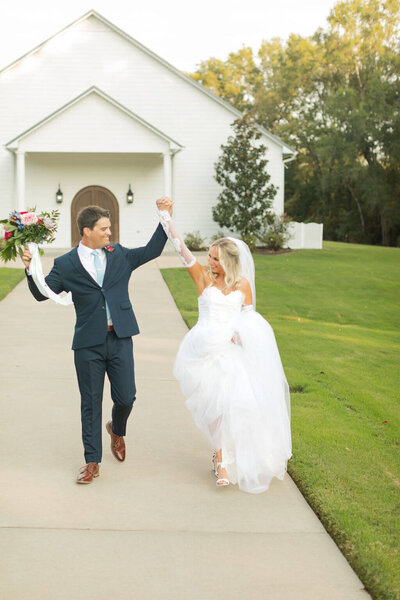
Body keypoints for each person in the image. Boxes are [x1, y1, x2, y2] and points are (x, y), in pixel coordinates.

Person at [22, 199, 171, 484]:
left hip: (120, 338)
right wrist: (31, 270)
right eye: (104, 228)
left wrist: (164, 217)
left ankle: (117, 428)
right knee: (90, 402)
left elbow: (152, 250)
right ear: (86, 231)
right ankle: (92, 462)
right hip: (88, 344)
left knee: (126, 397)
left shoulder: (120, 255)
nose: (109, 232)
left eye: (110, 227)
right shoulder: (65, 264)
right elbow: (43, 293)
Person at [158, 201, 292, 494]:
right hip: (202, 352)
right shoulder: (203, 278)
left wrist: (241, 336)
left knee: (232, 405)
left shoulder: (243, 285)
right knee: (214, 409)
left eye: (215, 259)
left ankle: (222, 459)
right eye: (209, 257)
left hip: (230, 353)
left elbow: (249, 319)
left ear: (229, 262)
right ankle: (221, 459)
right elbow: (182, 250)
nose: (210, 262)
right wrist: (165, 216)